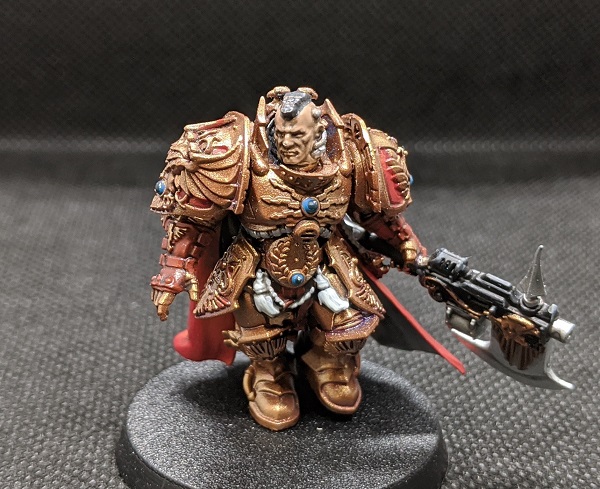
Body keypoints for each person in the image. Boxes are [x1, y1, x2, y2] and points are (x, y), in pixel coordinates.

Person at [150, 86, 428, 430]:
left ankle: (327, 362)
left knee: (348, 323)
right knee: (262, 332)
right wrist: (174, 270)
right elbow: (192, 220)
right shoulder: (238, 155)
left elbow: (376, 214)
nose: (287, 143)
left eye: (298, 135)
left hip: (327, 258)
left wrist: (406, 244)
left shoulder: (353, 157)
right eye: (281, 135)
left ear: (319, 129)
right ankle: (270, 374)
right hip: (258, 263)